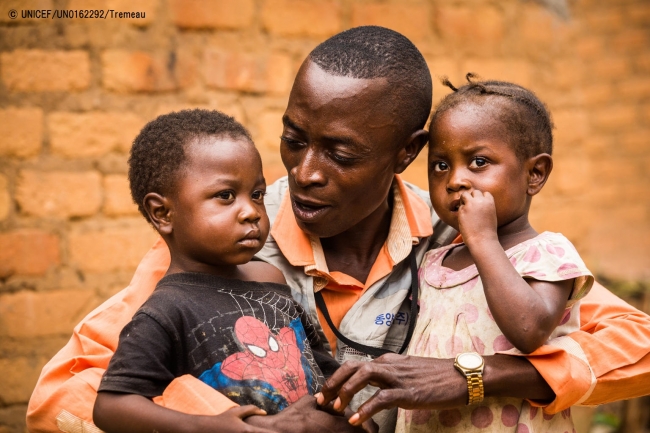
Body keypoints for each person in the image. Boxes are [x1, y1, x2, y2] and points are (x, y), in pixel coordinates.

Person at [27, 26, 650, 433]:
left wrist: (471, 376)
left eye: (341, 154)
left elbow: (635, 342)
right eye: (293, 141)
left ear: (405, 153)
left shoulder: (461, 236)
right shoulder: (229, 240)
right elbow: (62, 395)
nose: (304, 173)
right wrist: (239, 422)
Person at [92, 109, 362, 433]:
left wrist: (350, 412)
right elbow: (111, 406)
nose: (251, 212)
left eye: (257, 194)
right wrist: (209, 426)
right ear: (162, 212)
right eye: (226, 196)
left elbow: (316, 360)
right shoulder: (166, 311)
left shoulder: (269, 278)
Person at [392, 75, 592, 431]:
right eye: (440, 165)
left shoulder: (546, 253)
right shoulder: (434, 260)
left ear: (535, 173)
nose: (455, 180)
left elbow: (530, 330)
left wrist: (483, 241)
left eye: (479, 162)